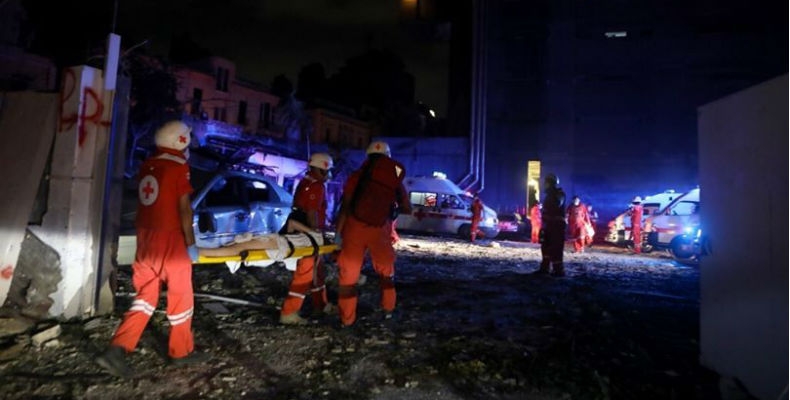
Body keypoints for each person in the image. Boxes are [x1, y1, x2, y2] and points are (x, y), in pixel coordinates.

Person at [95, 120, 208, 378]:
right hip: (170, 241)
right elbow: (184, 209)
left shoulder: (148, 164)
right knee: (181, 296)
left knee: (146, 296)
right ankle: (180, 351)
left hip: (145, 239)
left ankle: (117, 349)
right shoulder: (178, 166)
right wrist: (191, 244)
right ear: (180, 141)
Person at [335, 141, 411, 328]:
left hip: (354, 227)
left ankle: (347, 319)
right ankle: (388, 309)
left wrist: (338, 234)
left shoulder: (357, 176)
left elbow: (345, 206)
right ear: (388, 157)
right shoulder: (393, 177)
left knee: (348, 276)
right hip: (380, 229)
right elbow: (406, 207)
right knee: (386, 273)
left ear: (368, 156)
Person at [280, 153, 336, 325]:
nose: (328, 175)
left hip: (301, 229)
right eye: (326, 171)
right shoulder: (316, 186)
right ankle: (289, 312)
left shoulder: (305, 182)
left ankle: (321, 305)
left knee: (317, 271)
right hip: (307, 233)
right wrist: (316, 235)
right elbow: (312, 213)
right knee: (305, 272)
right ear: (320, 170)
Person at [537, 173, 567, 276]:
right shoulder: (548, 195)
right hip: (548, 225)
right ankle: (544, 269)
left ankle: (558, 271)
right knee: (545, 247)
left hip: (557, 226)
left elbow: (556, 204)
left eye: (545, 182)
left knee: (556, 248)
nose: (543, 184)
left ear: (550, 183)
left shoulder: (559, 194)